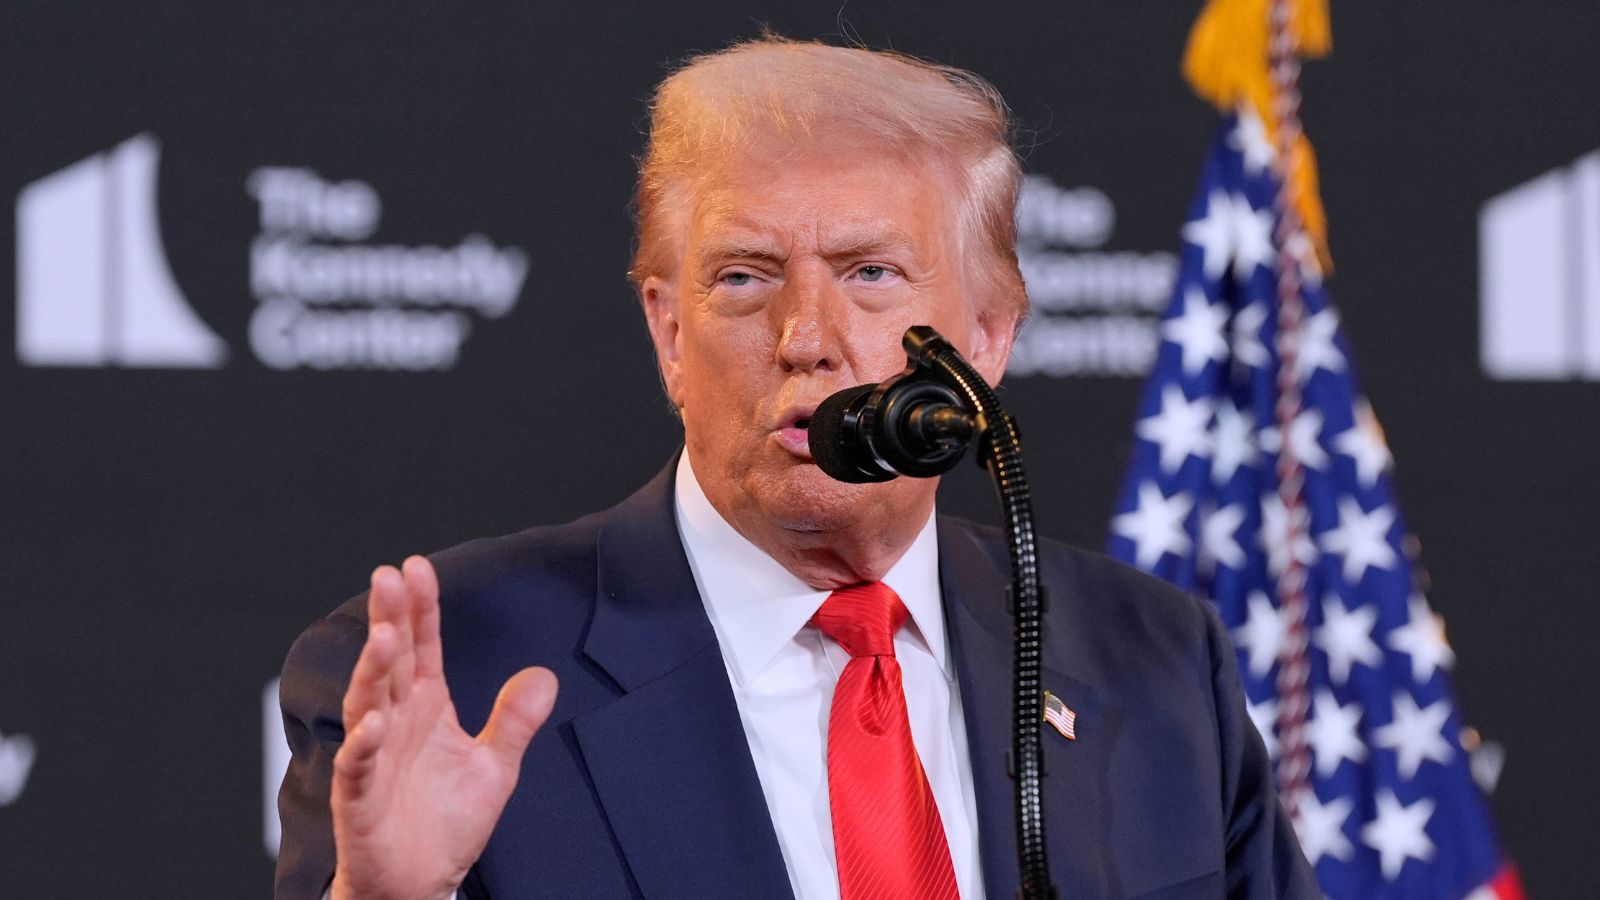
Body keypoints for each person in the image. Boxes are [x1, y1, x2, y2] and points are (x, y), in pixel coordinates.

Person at [275, 36, 1316, 900]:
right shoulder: (457, 671)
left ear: (988, 337)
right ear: (669, 331)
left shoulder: (1158, 661)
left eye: (870, 272)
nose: (806, 337)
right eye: (743, 277)